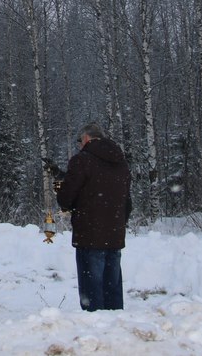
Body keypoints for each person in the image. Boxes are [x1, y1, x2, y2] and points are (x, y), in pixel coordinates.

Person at [55, 123, 132, 311]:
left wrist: (62, 192)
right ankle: (116, 327)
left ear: (87, 139)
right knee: (112, 288)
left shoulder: (81, 160)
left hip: (89, 235)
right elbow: (127, 202)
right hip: (114, 234)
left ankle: (95, 328)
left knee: (92, 291)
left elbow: (66, 197)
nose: (80, 145)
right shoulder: (120, 162)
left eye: (80, 142)